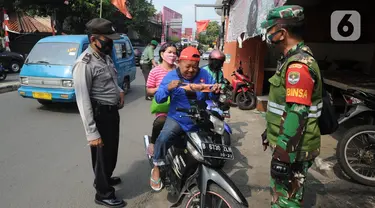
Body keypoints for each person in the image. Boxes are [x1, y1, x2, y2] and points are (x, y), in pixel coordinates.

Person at [260, 5, 323, 208]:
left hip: (294, 148)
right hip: (288, 143)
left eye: (269, 30)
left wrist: (283, 156)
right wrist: (269, 131)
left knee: (286, 202)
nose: (267, 35)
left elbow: (297, 113)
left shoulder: (298, 66)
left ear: (282, 33)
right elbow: (283, 107)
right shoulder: (288, 59)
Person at [149, 46, 221, 191]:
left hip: (199, 118)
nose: (191, 70)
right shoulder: (171, 76)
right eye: (187, 66)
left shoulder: (205, 75)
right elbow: (158, 98)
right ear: (180, 62)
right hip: (178, 118)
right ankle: (156, 167)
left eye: (194, 67)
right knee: (163, 138)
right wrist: (167, 88)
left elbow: (213, 96)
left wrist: (216, 91)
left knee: (212, 142)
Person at [72, 18, 126, 208]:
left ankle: (105, 178)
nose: (111, 42)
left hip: (111, 113)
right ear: (94, 39)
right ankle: (103, 193)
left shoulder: (105, 56)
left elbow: (111, 79)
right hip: (99, 114)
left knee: (111, 152)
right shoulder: (84, 64)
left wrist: (119, 90)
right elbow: (83, 99)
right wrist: (91, 132)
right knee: (101, 155)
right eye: (107, 39)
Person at [146, 42, 178, 156]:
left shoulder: (179, 70)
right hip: (163, 106)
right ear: (162, 54)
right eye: (169, 52)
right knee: (160, 122)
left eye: (174, 53)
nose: (172, 55)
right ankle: (153, 143)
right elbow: (149, 90)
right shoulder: (155, 71)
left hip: (179, 106)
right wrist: (162, 88)